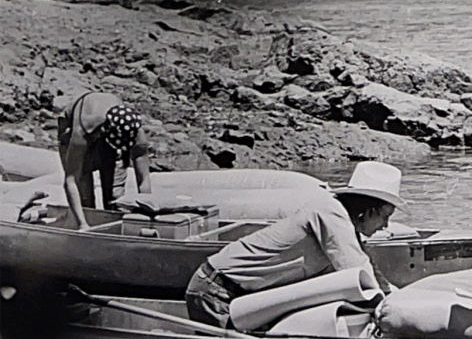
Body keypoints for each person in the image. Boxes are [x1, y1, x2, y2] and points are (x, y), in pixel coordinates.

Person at [184, 161, 408, 329]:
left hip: (241, 295)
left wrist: (397, 296)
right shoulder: (330, 212)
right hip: (216, 290)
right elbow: (356, 269)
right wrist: (388, 309)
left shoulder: (346, 224)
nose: (386, 225)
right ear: (369, 211)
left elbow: (372, 272)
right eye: (385, 216)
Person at [58, 91, 152, 231]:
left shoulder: (135, 132)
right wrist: (82, 224)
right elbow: (71, 179)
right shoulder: (83, 130)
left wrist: (148, 216)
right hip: (74, 126)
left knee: (116, 198)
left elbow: (144, 179)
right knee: (86, 198)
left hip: (109, 131)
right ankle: (85, 226)